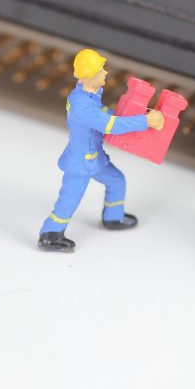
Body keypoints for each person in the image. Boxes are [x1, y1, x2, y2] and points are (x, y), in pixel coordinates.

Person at [38, 48, 163, 252]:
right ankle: (50, 234)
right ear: (89, 75)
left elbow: (106, 114)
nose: (105, 72)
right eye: (100, 70)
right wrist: (145, 121)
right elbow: (110, 125)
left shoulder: (88, 95)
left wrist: (132, 117)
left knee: (116, 180)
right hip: (80, 163)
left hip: (94, 159)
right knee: (69, 200)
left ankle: (113, 218)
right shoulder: (81, 106)